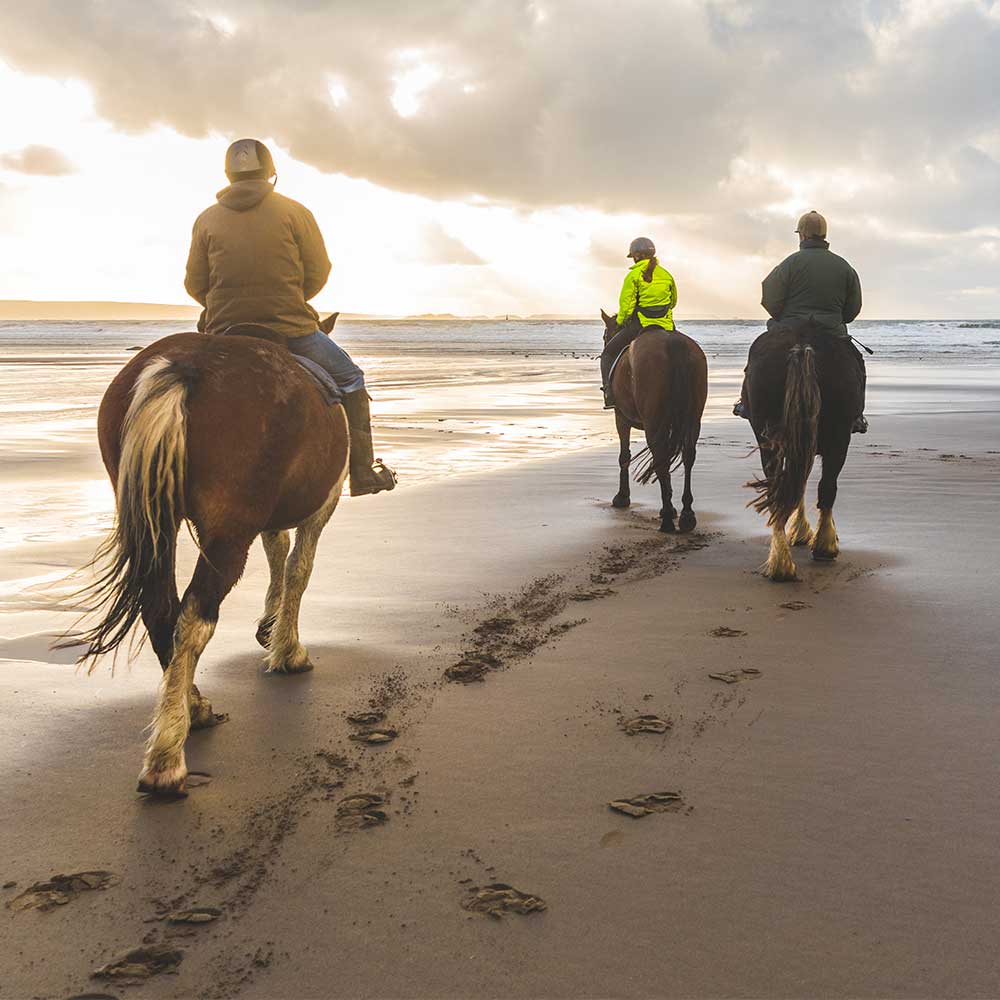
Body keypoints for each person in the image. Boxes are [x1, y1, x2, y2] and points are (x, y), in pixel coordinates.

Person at [184, 138, 397, 495]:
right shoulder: (295, 212)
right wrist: (290, 300)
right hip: (291, 327)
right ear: (271, 172)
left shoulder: (206, 219)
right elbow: (319, 270)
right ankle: (362, 474)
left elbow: (194, 283)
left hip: (224, 331)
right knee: (352, 380)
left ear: (228, 174)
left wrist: (224, 307)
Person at [733, 211, 868, 433]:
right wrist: (835, 319)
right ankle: (856, 415)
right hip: (830, 331)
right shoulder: (844, 266)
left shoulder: (789, 264)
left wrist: (782, 316)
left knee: (757, 353)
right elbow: (853, 309)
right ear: (824, 235)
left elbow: (769, 299)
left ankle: (747, 403)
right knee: (856, 362)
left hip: (789, 329)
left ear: (802, 235)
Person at [600, 237, 677, 408]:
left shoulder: (633, 276)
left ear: (636, 256)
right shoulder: (666, 274)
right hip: (667, 326)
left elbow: (626, 307)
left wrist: (620, 322)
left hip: (640, 326)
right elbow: (673, 302)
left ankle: (609, 395)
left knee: (607, 355)